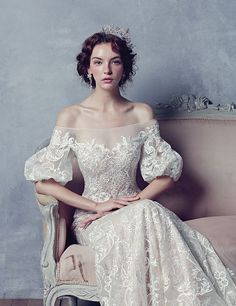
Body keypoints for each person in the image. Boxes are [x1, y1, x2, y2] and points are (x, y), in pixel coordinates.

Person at [24, 25, 236, 306]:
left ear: (125, 68)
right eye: (98, 62)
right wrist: (96, 206)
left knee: (147, 210)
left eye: (115, 61)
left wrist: (135, 200)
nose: (107, 70)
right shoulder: (72, 116)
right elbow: (43, 181)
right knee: (148, 213)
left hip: (137, 209)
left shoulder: (141, 112)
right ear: (88, 69)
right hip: (93, 219)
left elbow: (166, 173)